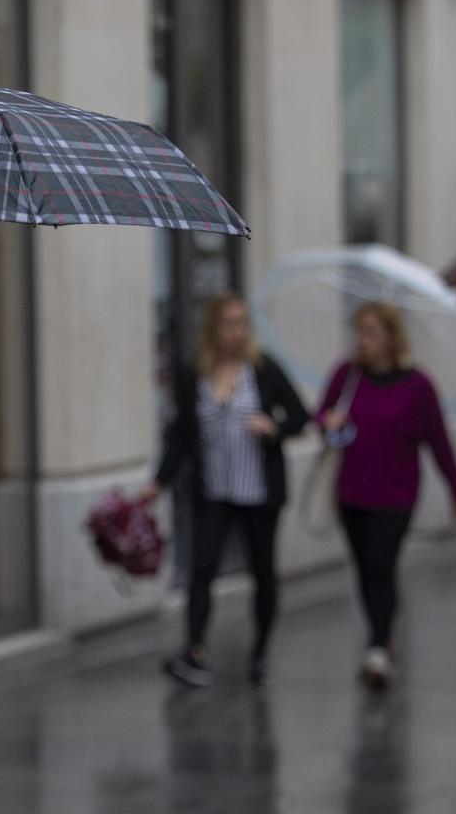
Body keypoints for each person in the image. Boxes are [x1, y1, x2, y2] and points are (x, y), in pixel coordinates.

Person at [144, 294, 308, 687]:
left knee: (263, 573)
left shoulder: (264, 370)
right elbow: (180, 435)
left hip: (258, 493)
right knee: (202, 570)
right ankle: (195, 650)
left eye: (242, 323)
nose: (237, 332)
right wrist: (158, 482)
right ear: (213, 329)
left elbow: (301, 416)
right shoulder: (195, 374)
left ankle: (261, 652)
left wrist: (274, 427)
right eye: (229, 323)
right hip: (212, 491)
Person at [318, 301, 456, 690]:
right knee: (366, 569)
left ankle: (378, 647)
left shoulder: (418, 386)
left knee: (381, 563)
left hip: (397, 492)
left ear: (391, 337)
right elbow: (321, 415)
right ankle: (381, 635)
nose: (363, 340)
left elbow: (439, 440)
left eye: (372, 331)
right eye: (360, 331)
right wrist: (327, 421)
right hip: (352, 491)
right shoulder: (346, 377)